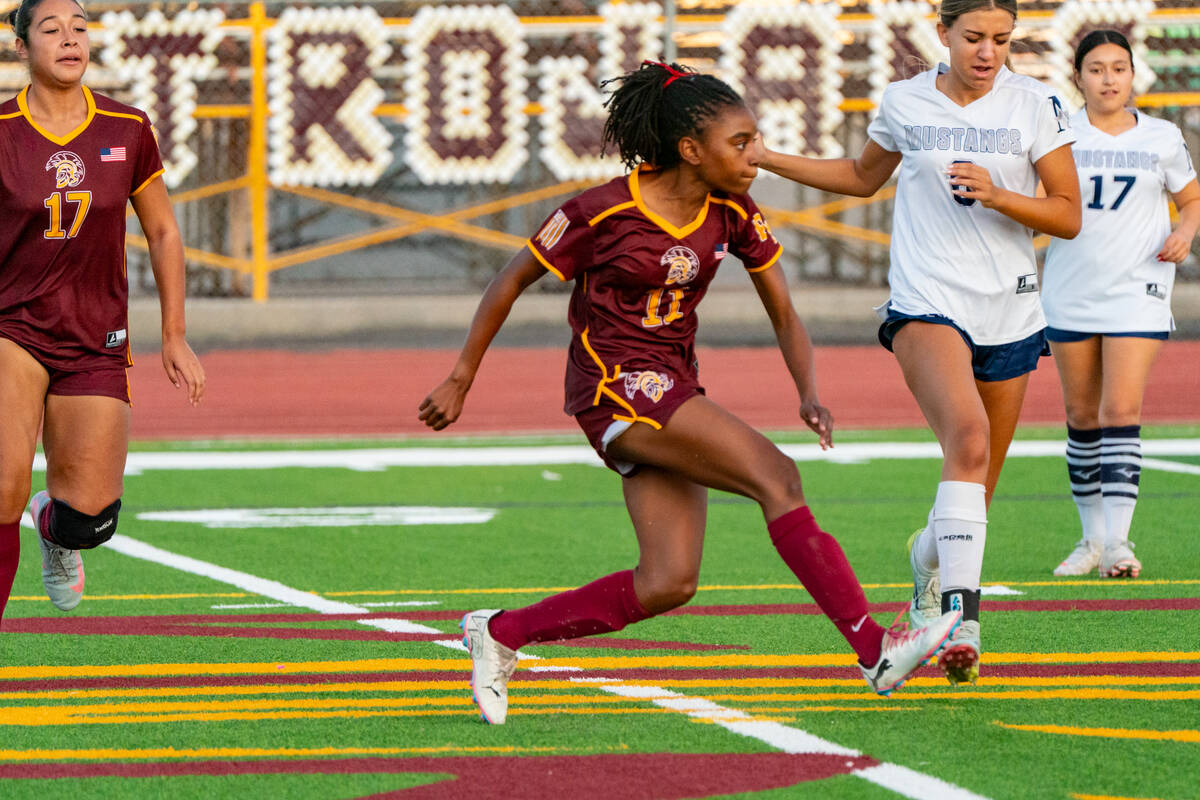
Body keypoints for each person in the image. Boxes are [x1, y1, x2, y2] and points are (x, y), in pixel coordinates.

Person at [418, 61, 960, 724]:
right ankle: (874, 650)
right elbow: (510, 279)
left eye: (755, 140)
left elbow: (783, 311)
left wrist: (808, 390)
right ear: (690, 150)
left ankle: (501, 634)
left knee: (668, 582)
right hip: (613, 387)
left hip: (671, 385)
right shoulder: (601, 210)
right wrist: (460, 376)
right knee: (777, 478)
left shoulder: (732, 209)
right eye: (740, 143)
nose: (753, 155)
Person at [758, 0, 1081, 684]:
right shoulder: (905, 100)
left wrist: (1000, 196)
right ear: (942, 34)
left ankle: (927, 563)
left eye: (1001, 39)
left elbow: (1068, 214)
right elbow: (861, 177)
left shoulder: (1035, 105)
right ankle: (962, 619)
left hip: (1012, 311)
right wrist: (765, 159)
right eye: (974, 37)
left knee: (975, 489)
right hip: (926, 301)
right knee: (966, 443)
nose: (988, 51)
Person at [0, 0, 206, 625]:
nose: (69, 39)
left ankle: (56, 529)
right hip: (12, 328)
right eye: (51, 29)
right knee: (2, 489)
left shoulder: (127, 128)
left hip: (96, 337)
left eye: (80, 29)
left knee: (92, 518)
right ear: (21, 48)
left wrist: (174, 334)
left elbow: (166, 233)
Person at [1042, 30, 1200, 579]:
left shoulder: (1161, 136)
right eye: (1097, 69)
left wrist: (1186, 231)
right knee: (1081, 417)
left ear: (1133, 75)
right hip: (1070, 287)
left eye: (1119, 68)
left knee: (1120, 413)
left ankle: (1119, 544)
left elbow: (1192, 198)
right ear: (1078, 77)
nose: (1109, 79)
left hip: (1139, 287)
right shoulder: (1056, 133)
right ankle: (1090, 540)